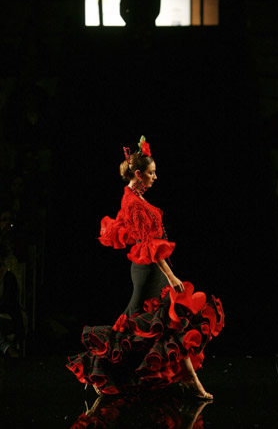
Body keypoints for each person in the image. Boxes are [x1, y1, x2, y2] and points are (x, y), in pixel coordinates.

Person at [67, 136, 224, 400]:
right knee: (135, 323)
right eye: (151, 173)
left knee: (170, 323)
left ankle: (192, 382)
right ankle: (98, 368)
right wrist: (171, 276)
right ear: (138, 174)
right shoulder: (133, 203)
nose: (155, 177)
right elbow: (148, 244)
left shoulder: (134, 197)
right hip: (150, 270)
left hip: (151, 268)